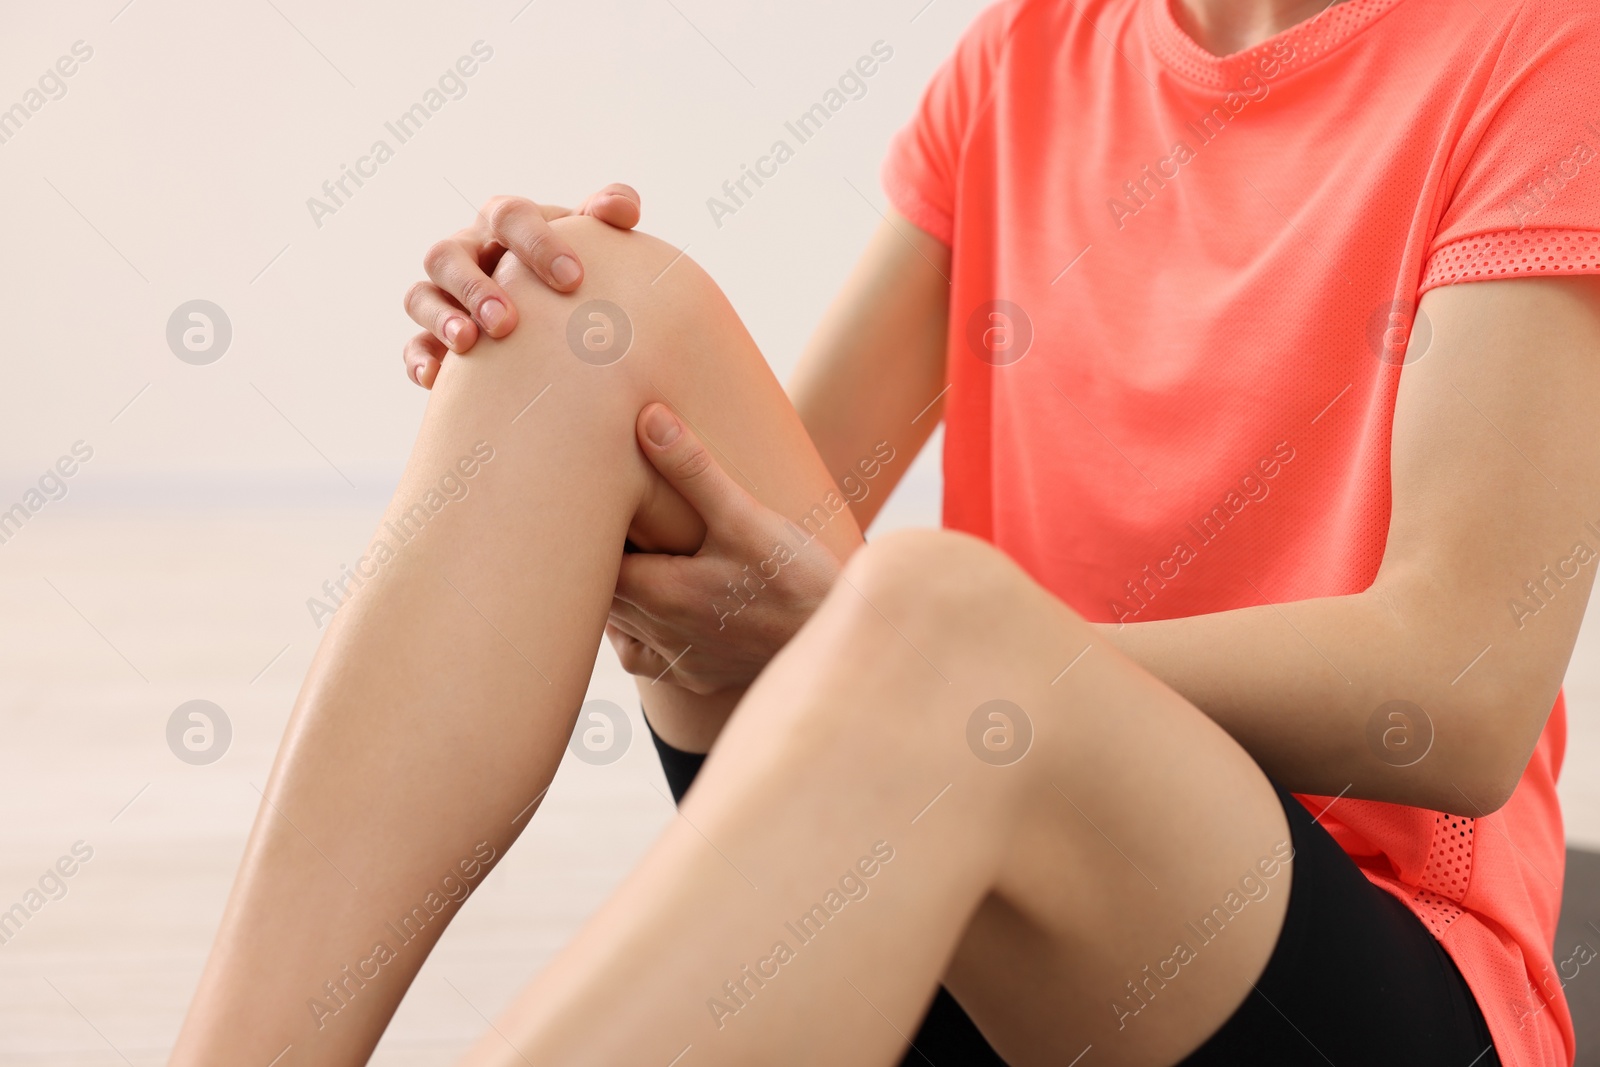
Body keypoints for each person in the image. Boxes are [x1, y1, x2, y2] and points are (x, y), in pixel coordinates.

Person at [170, 0, 1600, 1063]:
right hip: (962, 901)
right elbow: (756, 527)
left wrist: (992, 668)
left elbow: (1457, 692)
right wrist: (537, 348)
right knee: (579, 317)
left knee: (936, 619)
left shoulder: (1541, 53)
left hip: (1334, 993)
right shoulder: (1032, 51)